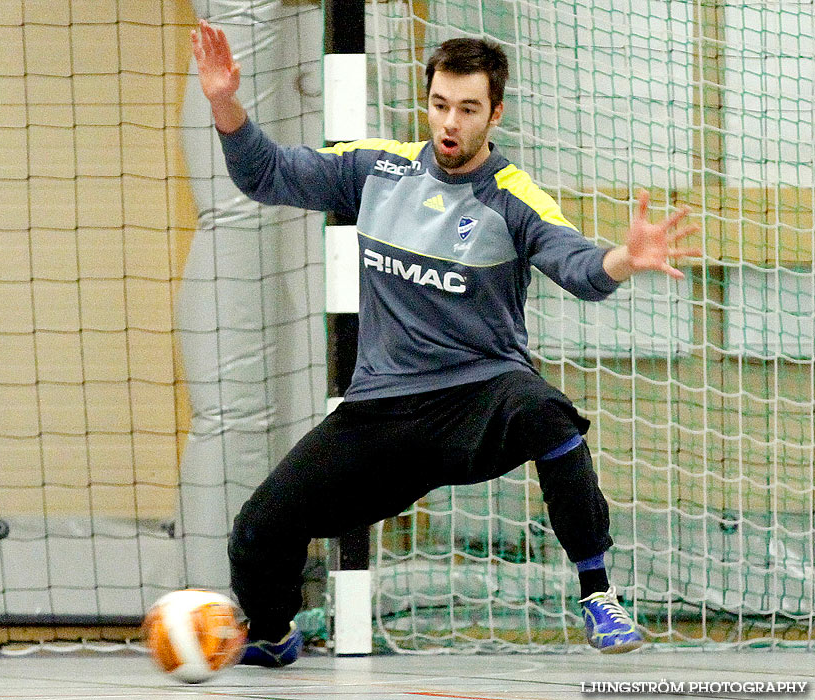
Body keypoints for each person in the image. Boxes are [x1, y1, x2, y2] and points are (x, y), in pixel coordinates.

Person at [190, 20, 700, 664]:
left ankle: (598, 594)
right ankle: (271, 633)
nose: (450, 123)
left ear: (495, 113)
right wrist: (223, 102)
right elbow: (265, 174)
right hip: (381, 410)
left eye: (467, 109)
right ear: (426, 102)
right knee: (259, 528)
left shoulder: (513, 198)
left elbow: (578, 269)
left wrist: (624, 259)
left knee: (547, 412)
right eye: (439, 105)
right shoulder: (377, 170)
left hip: (479, 398)